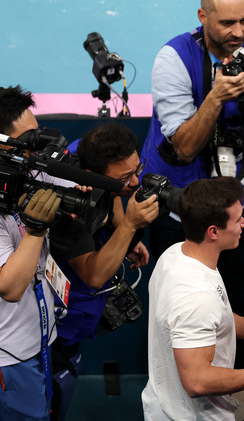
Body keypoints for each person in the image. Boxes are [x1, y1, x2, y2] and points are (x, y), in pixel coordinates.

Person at [141, 0, 244, 416]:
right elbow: (183, 146)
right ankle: (183, 386)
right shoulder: (173, 59)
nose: (239, 32)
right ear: (202, 17)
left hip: (243, 205)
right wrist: (216, 96)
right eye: (228, 22)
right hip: (187, 207)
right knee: (187, 301)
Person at [142, 176, 244, 420]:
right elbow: (197, 382)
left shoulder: (176, 255)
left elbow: (217, 315)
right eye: (238, 220)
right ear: (213, 231)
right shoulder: (196, 297)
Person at [48, 122, 160, 420]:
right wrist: (131, 227)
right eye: (126, 177)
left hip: (79, 281)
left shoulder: (89, 149)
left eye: (138, 168)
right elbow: (94, 276)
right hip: (52, 313)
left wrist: (117, 232)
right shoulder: (64, 204)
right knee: (56, 379)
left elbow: (114, 197)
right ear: (93, 176)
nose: (136, 182)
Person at [0, 85, 65, 420]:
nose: (35, 148)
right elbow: (10, 287)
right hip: (9, 358)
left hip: (39, 341)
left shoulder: (26, 169)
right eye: (29, 141)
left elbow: (85, 188)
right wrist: (37, 229)